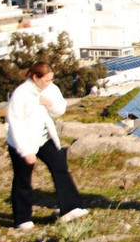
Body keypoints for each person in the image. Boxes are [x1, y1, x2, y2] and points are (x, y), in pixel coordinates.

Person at [6, 61, 88, 229]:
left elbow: (60, 109)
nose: (49, 83)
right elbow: (15, 123)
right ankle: (22, 219)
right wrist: (25, 151)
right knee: (23, 178)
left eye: (51, 79)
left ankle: (71, 208)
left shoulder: (50, 89)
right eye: (46, 80)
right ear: (35, 77)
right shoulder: (21, 94)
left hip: (44, 137)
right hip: (23, 141)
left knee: (60, 167)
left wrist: (48, 103)